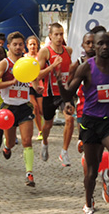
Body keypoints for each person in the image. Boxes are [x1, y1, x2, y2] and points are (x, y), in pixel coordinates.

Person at [57, 31, 109, 213]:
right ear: (94, 47)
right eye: (100, 44)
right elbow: (68, 94)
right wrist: (59, 85)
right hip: (91, 123)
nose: (104, 47)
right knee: (91, 172)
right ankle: (88, 203)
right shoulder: (86, 68)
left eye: (108, 44)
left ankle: (107, 175)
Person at [0, 31, 39, 187]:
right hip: (9, 108)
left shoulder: (28, 62)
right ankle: (6, 146)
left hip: (24, 106)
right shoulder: (4, 63)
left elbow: (34, 80)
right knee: (12, 142)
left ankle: (29, 173)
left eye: (20, 44)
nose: (18, 47)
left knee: (27, 141)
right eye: (15, 45)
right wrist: (11, 82)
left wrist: (37, 87)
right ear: (9, 46)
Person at [37, 22, 73, 166]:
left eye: (61, 34)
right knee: (48, 124)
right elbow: (37, 75)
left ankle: (64, 152)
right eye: (56, 34)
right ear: (50, 36)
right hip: (49, 93)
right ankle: (45, 142)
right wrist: (52, 66)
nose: (59, 37)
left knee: (69, 119)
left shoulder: (68, 51)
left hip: (65, 93)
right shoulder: (45, 52)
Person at [67, 32, 95, 152]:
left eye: (93, 42)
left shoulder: (105, 63)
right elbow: (69, 86)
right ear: (82, 45)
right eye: (87, 43)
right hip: (83, 107)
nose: (91, 45)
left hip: (102, 108)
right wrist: (69, 102)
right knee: (86, 142)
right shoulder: (77, 64)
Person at [24, 35, 43, 140]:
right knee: (34, 107)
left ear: (37, 45)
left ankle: (42, 124)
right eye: (30, 44)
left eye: (34, 44)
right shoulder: (24, 58)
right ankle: (40, 131)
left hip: (39, 85)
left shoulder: (40, 56)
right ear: (27, 46)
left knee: (41, 110)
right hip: (28, 86)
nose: (32, 46)